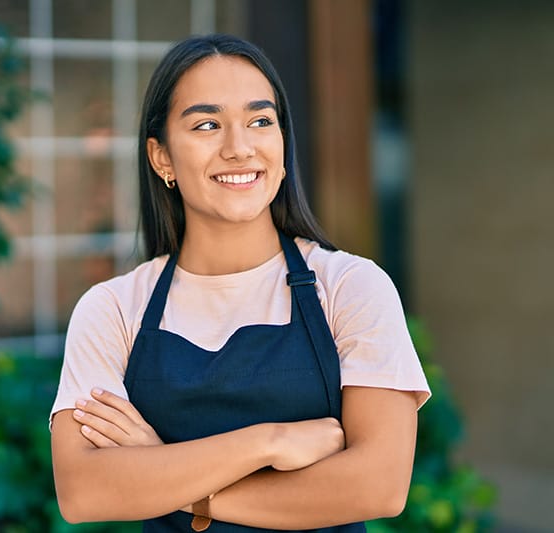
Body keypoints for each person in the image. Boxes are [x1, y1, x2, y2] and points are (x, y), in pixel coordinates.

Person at [50, 34, 430, 532]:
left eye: (260, 121)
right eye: (207, 125)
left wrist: (169, 474)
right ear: (161, 157)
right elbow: (84, 492)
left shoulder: (351, 287)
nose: (239, 148)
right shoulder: (114, 309)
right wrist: (266, 442)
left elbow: (377, 485)